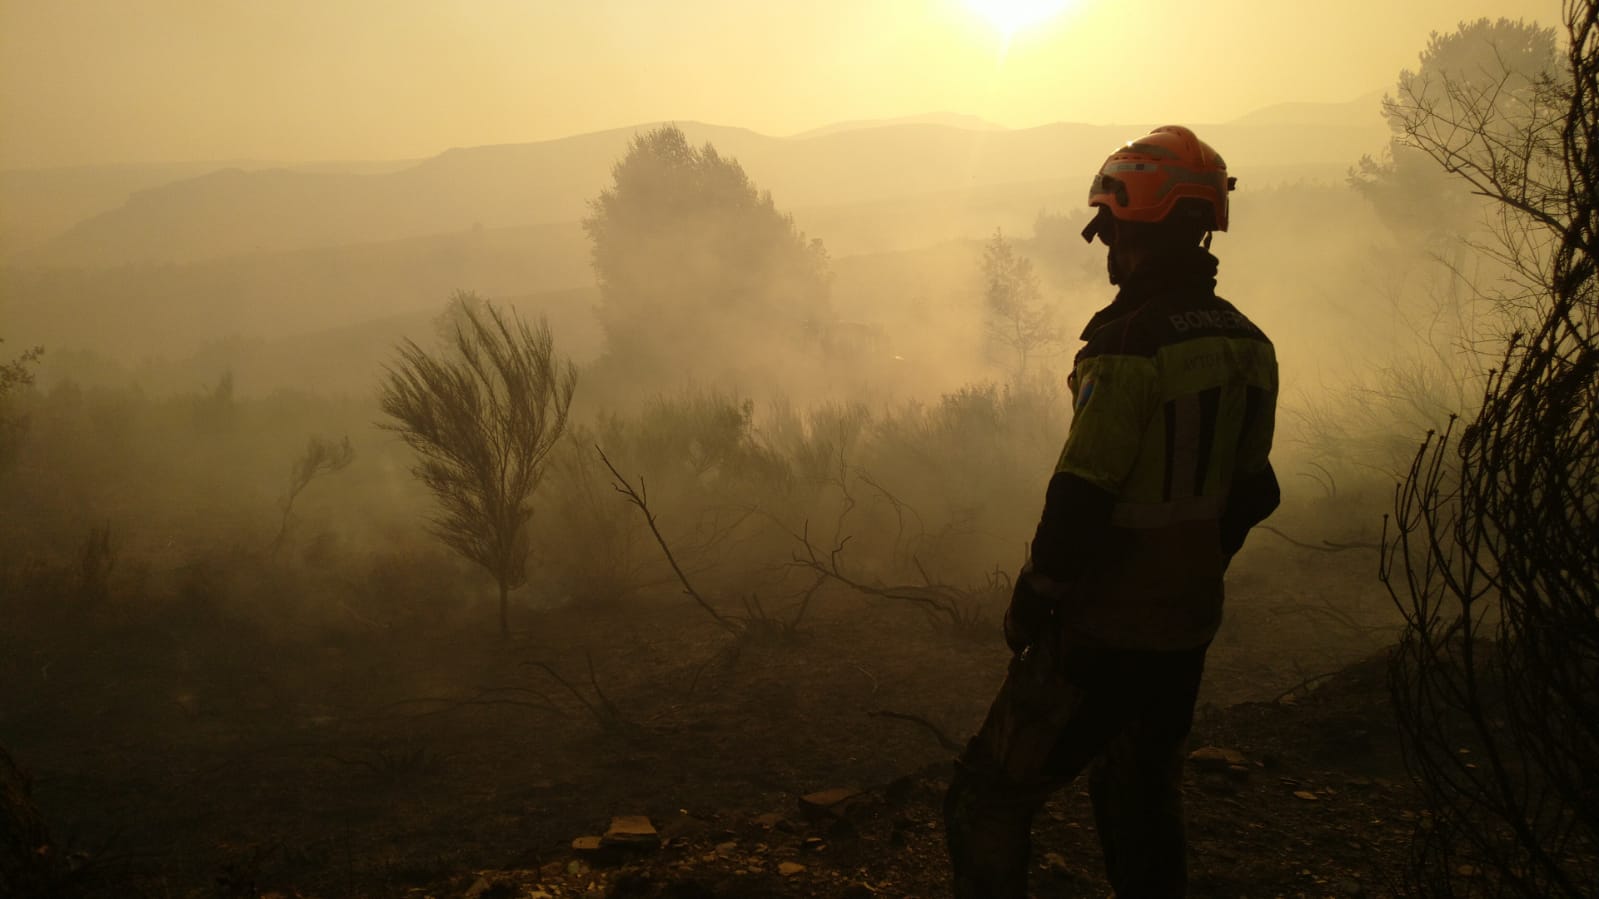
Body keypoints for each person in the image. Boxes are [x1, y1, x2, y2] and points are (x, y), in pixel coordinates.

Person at [944, 125, 1281, 899]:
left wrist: (1033, 600)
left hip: (1103, 634)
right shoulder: (1248, 343)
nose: (1106, 247)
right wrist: (1194, 562)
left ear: (1131, 230)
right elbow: (1253, 489)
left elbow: (1081, 495)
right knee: (1138, 796)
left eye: (1110, 226)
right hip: (1188, 626)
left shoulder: (1125, 344)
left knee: (985, 797)